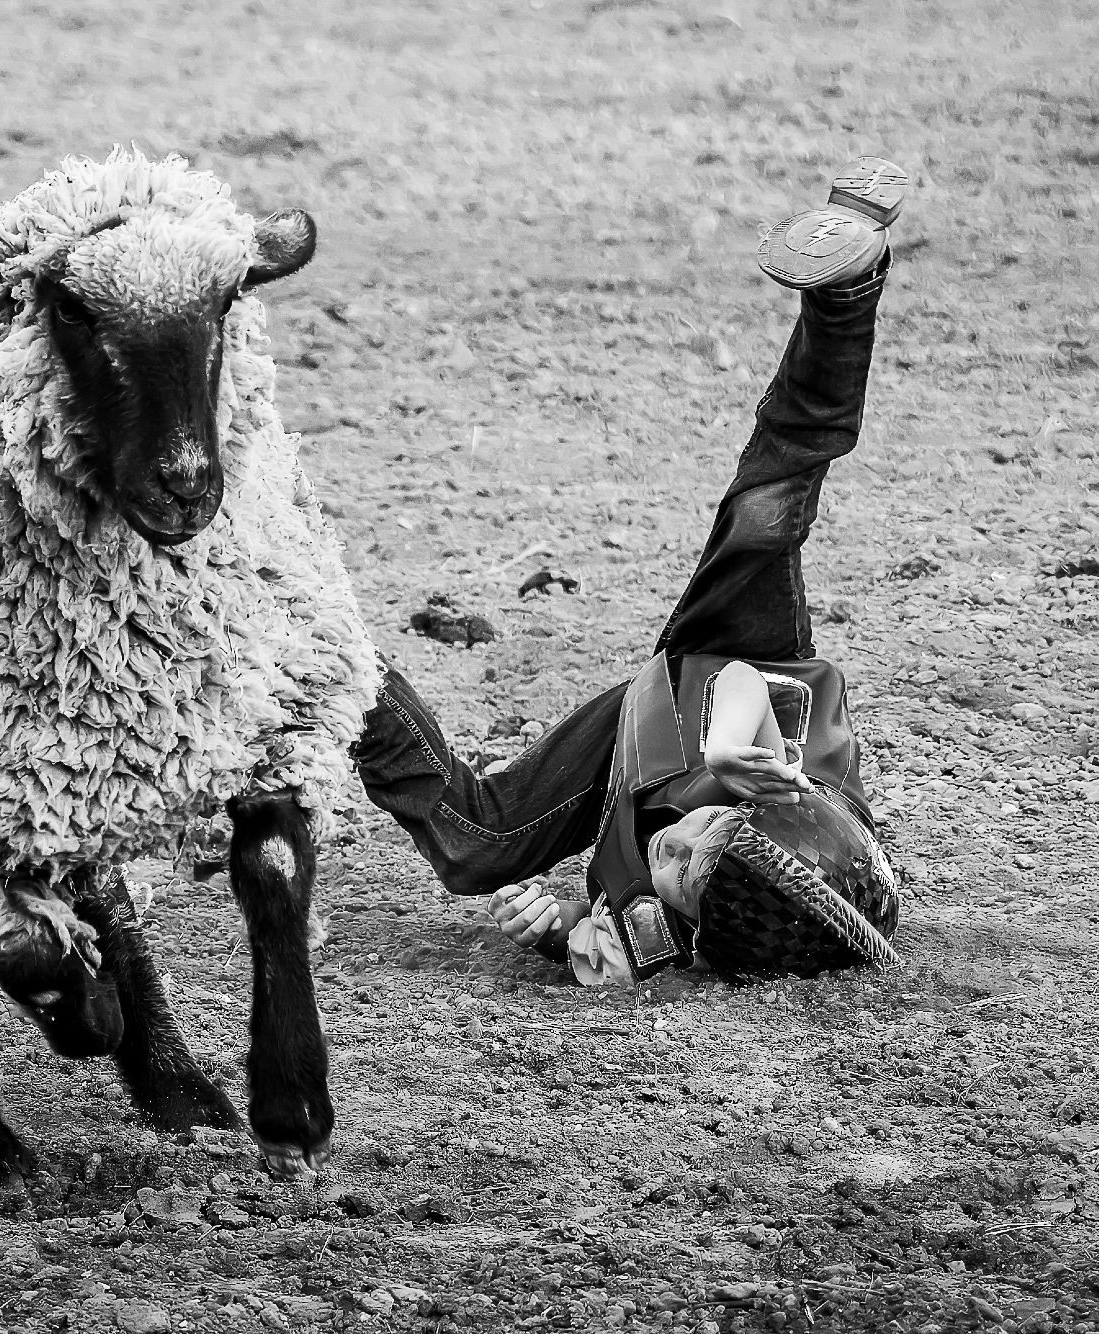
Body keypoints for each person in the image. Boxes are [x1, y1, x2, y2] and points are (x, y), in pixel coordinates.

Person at [351, 158, 910, 985]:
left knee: (478, 851)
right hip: (731, 663)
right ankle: (846, 294)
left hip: (637, 741)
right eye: (708, 833)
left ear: (697, 935)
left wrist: (554, 928)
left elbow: (600, 946)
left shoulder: (674, 935)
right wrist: (725, 754)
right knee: (767, 512)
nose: (672, 846)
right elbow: (752, 691)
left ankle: (330, 662)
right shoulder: (805, 814)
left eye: (680, 873)